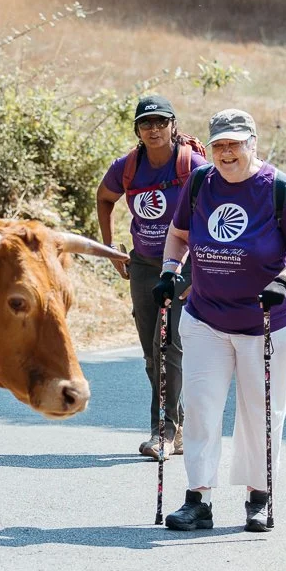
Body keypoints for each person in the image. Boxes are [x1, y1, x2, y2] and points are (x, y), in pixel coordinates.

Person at [153, 109, 286, 533]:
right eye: (220, 145)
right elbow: (179, 233)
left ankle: (259, 498)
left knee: (261, 412)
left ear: (252, 143)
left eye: (235, 144)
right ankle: (198, 499)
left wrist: (285, 280)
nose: (227, 153)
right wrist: (170, 270)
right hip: (206, 317)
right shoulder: (200, 183)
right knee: (201, 407)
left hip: (265, 321)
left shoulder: (278, 188)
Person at [97, 95, 203, 457]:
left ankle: (163, 433)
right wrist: (111, 248)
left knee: (169, 344)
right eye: (146, 123)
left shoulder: (192, 166)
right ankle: (177, 422)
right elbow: (104, 198)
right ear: (137, 130)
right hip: (143, 264)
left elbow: (213, 211)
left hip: (184, 263)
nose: (153, 129)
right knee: (150, 352)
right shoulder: (127, 167)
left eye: (160, 122)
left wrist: (198, 269)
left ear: (174, 125)